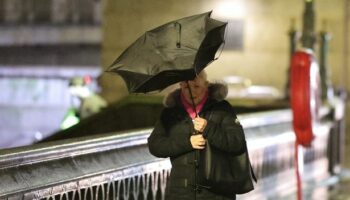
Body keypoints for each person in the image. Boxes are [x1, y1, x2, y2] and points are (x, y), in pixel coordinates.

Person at [147, 71, 245, 200]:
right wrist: (187, 142)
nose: (192, 92)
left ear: (206, 85)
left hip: (217, 192)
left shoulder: (222, 109)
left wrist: (209, 128)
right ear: (181, 85)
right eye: (187, 87)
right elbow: (155, 145)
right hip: (181, 193)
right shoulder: (170, 112)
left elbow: (237, 143)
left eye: (197, 87)